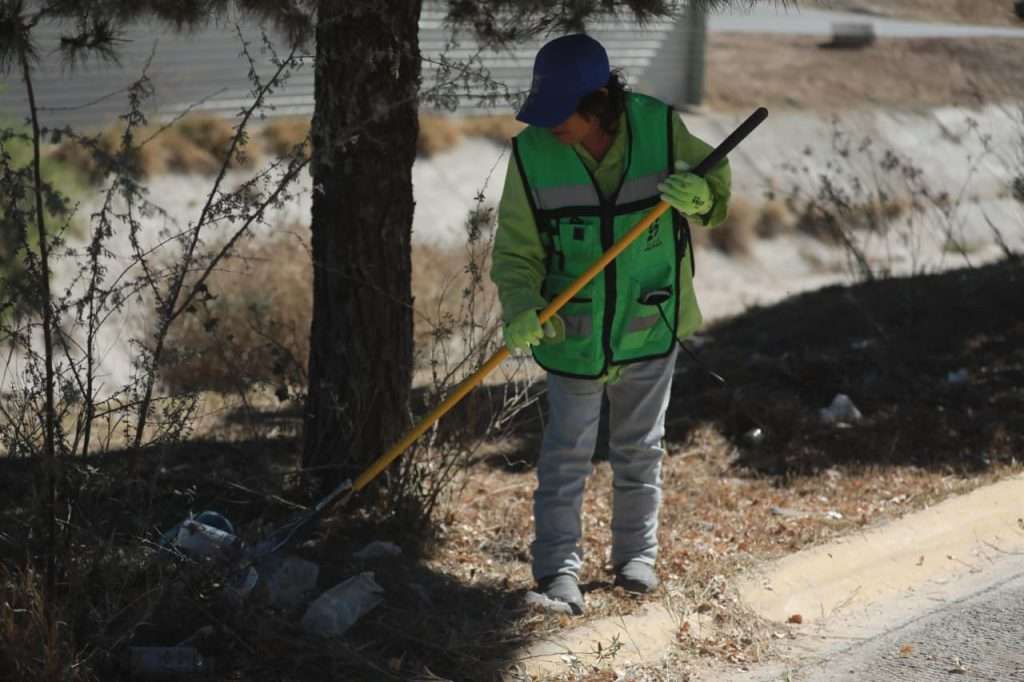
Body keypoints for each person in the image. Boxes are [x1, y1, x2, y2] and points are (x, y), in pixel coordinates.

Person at [489, 33, 732, 615]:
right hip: (572, 332)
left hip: (649, 321)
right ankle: (556, 570)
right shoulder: (532, 153)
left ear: (598, 102)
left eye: (561, 113)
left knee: (640, 449)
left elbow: (716, 191)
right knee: (565, 455)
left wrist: (700, 197)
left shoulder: (660, 127)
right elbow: (517, 251)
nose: (550, 125)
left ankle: (636, 558)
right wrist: (520, 306)